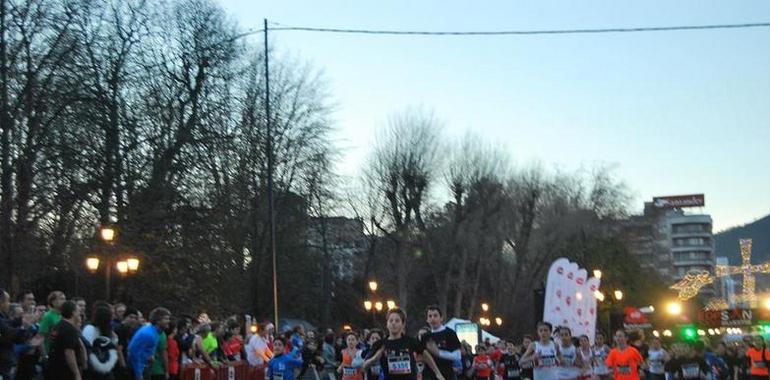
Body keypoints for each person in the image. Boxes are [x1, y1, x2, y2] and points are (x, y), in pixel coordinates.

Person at [362, 308, 446, 380]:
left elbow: (426, 355)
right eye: (391, 320)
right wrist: (375, 358)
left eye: (397, 320)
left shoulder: (410, 341)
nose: (393, 323)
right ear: (387, 324)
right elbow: (364, 367)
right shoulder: (380, 344)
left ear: (403, 324)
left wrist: (437, 372)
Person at [126, 307, 171, 380]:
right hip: (138, 370)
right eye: (166, 319)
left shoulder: (156, 332)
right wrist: (139, 374)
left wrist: (150, 355)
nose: (168, 321)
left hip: (145, 367)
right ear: (158, 321)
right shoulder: (148, 334)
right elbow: (133, 353)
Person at [44, 300, 82, 380]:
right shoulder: (69, 330)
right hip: (64, 371)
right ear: (73, 312)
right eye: (78, 311)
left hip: (54, 368)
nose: (79, 314)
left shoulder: (58, 326)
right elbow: (69, 353)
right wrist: (76, 373)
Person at [422, 306, 462, 380]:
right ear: (427, 320)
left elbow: (457, 356)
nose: (432, 318)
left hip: (446, 374)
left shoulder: (450, 333)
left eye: (435, 315)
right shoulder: (425, 336)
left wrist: (439, 353)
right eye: (430, 316)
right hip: (429, 375)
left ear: (441, 318)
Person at [82, 304, 121, 380]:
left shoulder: (108, 330)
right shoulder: (90, 329)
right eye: (111, 315)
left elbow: (113, 345)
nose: (113, 317)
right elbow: (88, 346)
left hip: (105, 363)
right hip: (93, 365)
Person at [39, 290, 66, 356]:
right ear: (53, 302)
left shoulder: (63, 315)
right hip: (50, 352)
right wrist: (44, 355)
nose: (64, 301)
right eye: (61, 299)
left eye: (65, 299)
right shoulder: (48, 316)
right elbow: (41, 336)